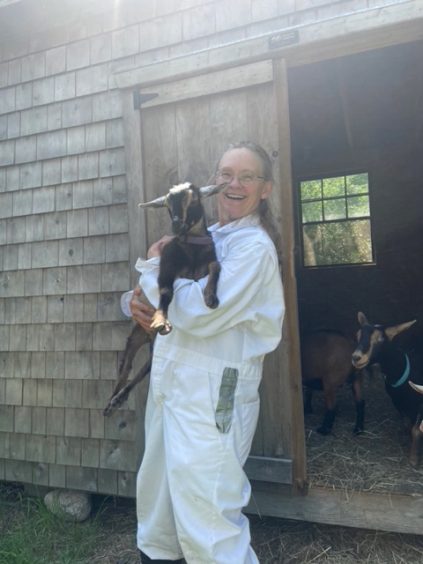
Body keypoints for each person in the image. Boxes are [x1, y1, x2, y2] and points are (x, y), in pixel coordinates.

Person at [121, 141, 285, 564]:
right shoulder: (206, 239)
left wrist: (156, 268)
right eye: (226, 174)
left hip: (213, 393)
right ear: (213, 184)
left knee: (208, 518)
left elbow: (202, 312)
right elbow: (158, 307)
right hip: (172, 386)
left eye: (247, 176)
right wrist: (138, 308)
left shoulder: (254, 248)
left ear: (264, 189)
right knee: (159, 507)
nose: (234, 183)